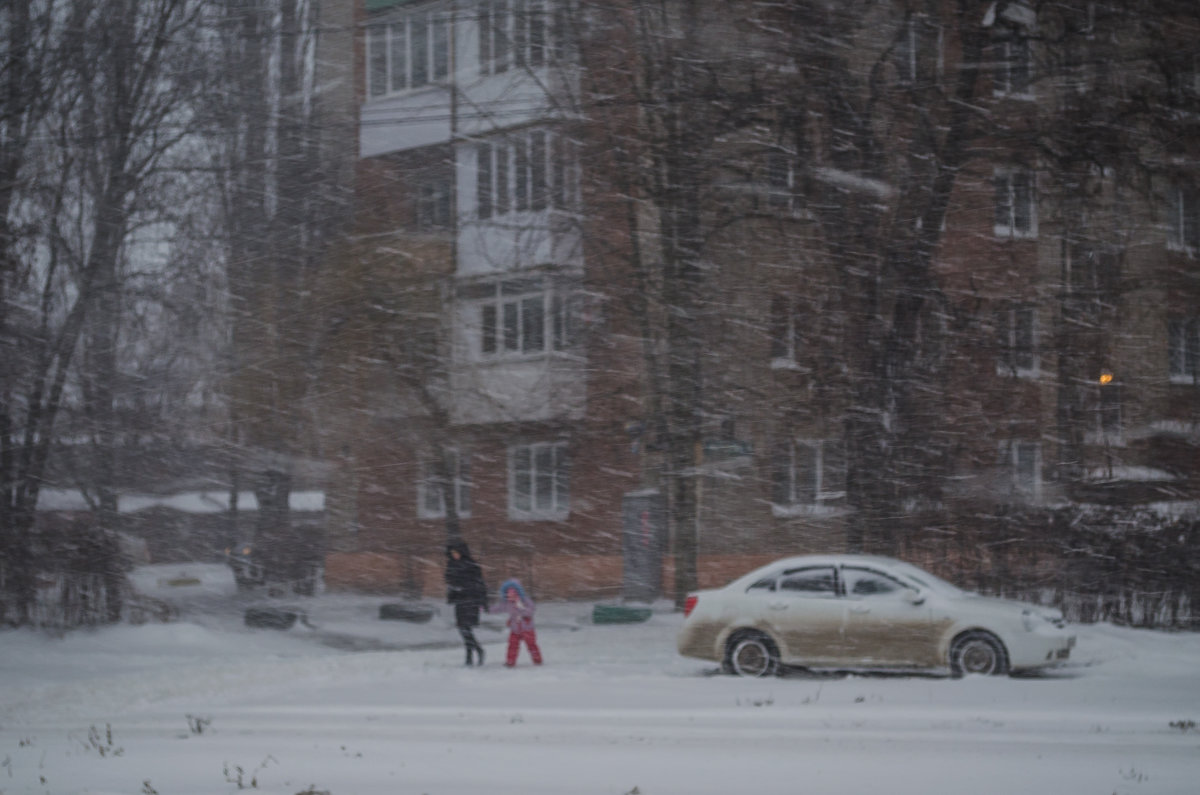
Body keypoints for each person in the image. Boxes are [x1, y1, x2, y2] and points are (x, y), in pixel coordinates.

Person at [445, 540, 488, 666]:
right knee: (463, 628)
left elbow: (479, 584)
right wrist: (453, 590)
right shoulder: (452, 564)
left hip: (470, 600)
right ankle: (476, 651)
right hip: (460, 601)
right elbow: (450, 581)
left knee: (465, 628)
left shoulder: (471, 565)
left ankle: (471, 654)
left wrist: (482, 601)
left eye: (456, 552)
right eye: (452, 553)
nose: (454, 555)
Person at [497, 578, 542, 667]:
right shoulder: (507, 603)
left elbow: (531, 609)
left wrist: (522, 611)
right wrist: (486, 609)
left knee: (531, 645)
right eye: (508, 592)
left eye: (513, 591)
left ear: (518, 591)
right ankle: (510, 661)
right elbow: (498, 608)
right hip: (515, 628)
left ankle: (537, 660)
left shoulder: (525, 600)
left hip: (527, 628)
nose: (510, 594)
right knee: (512, 645)